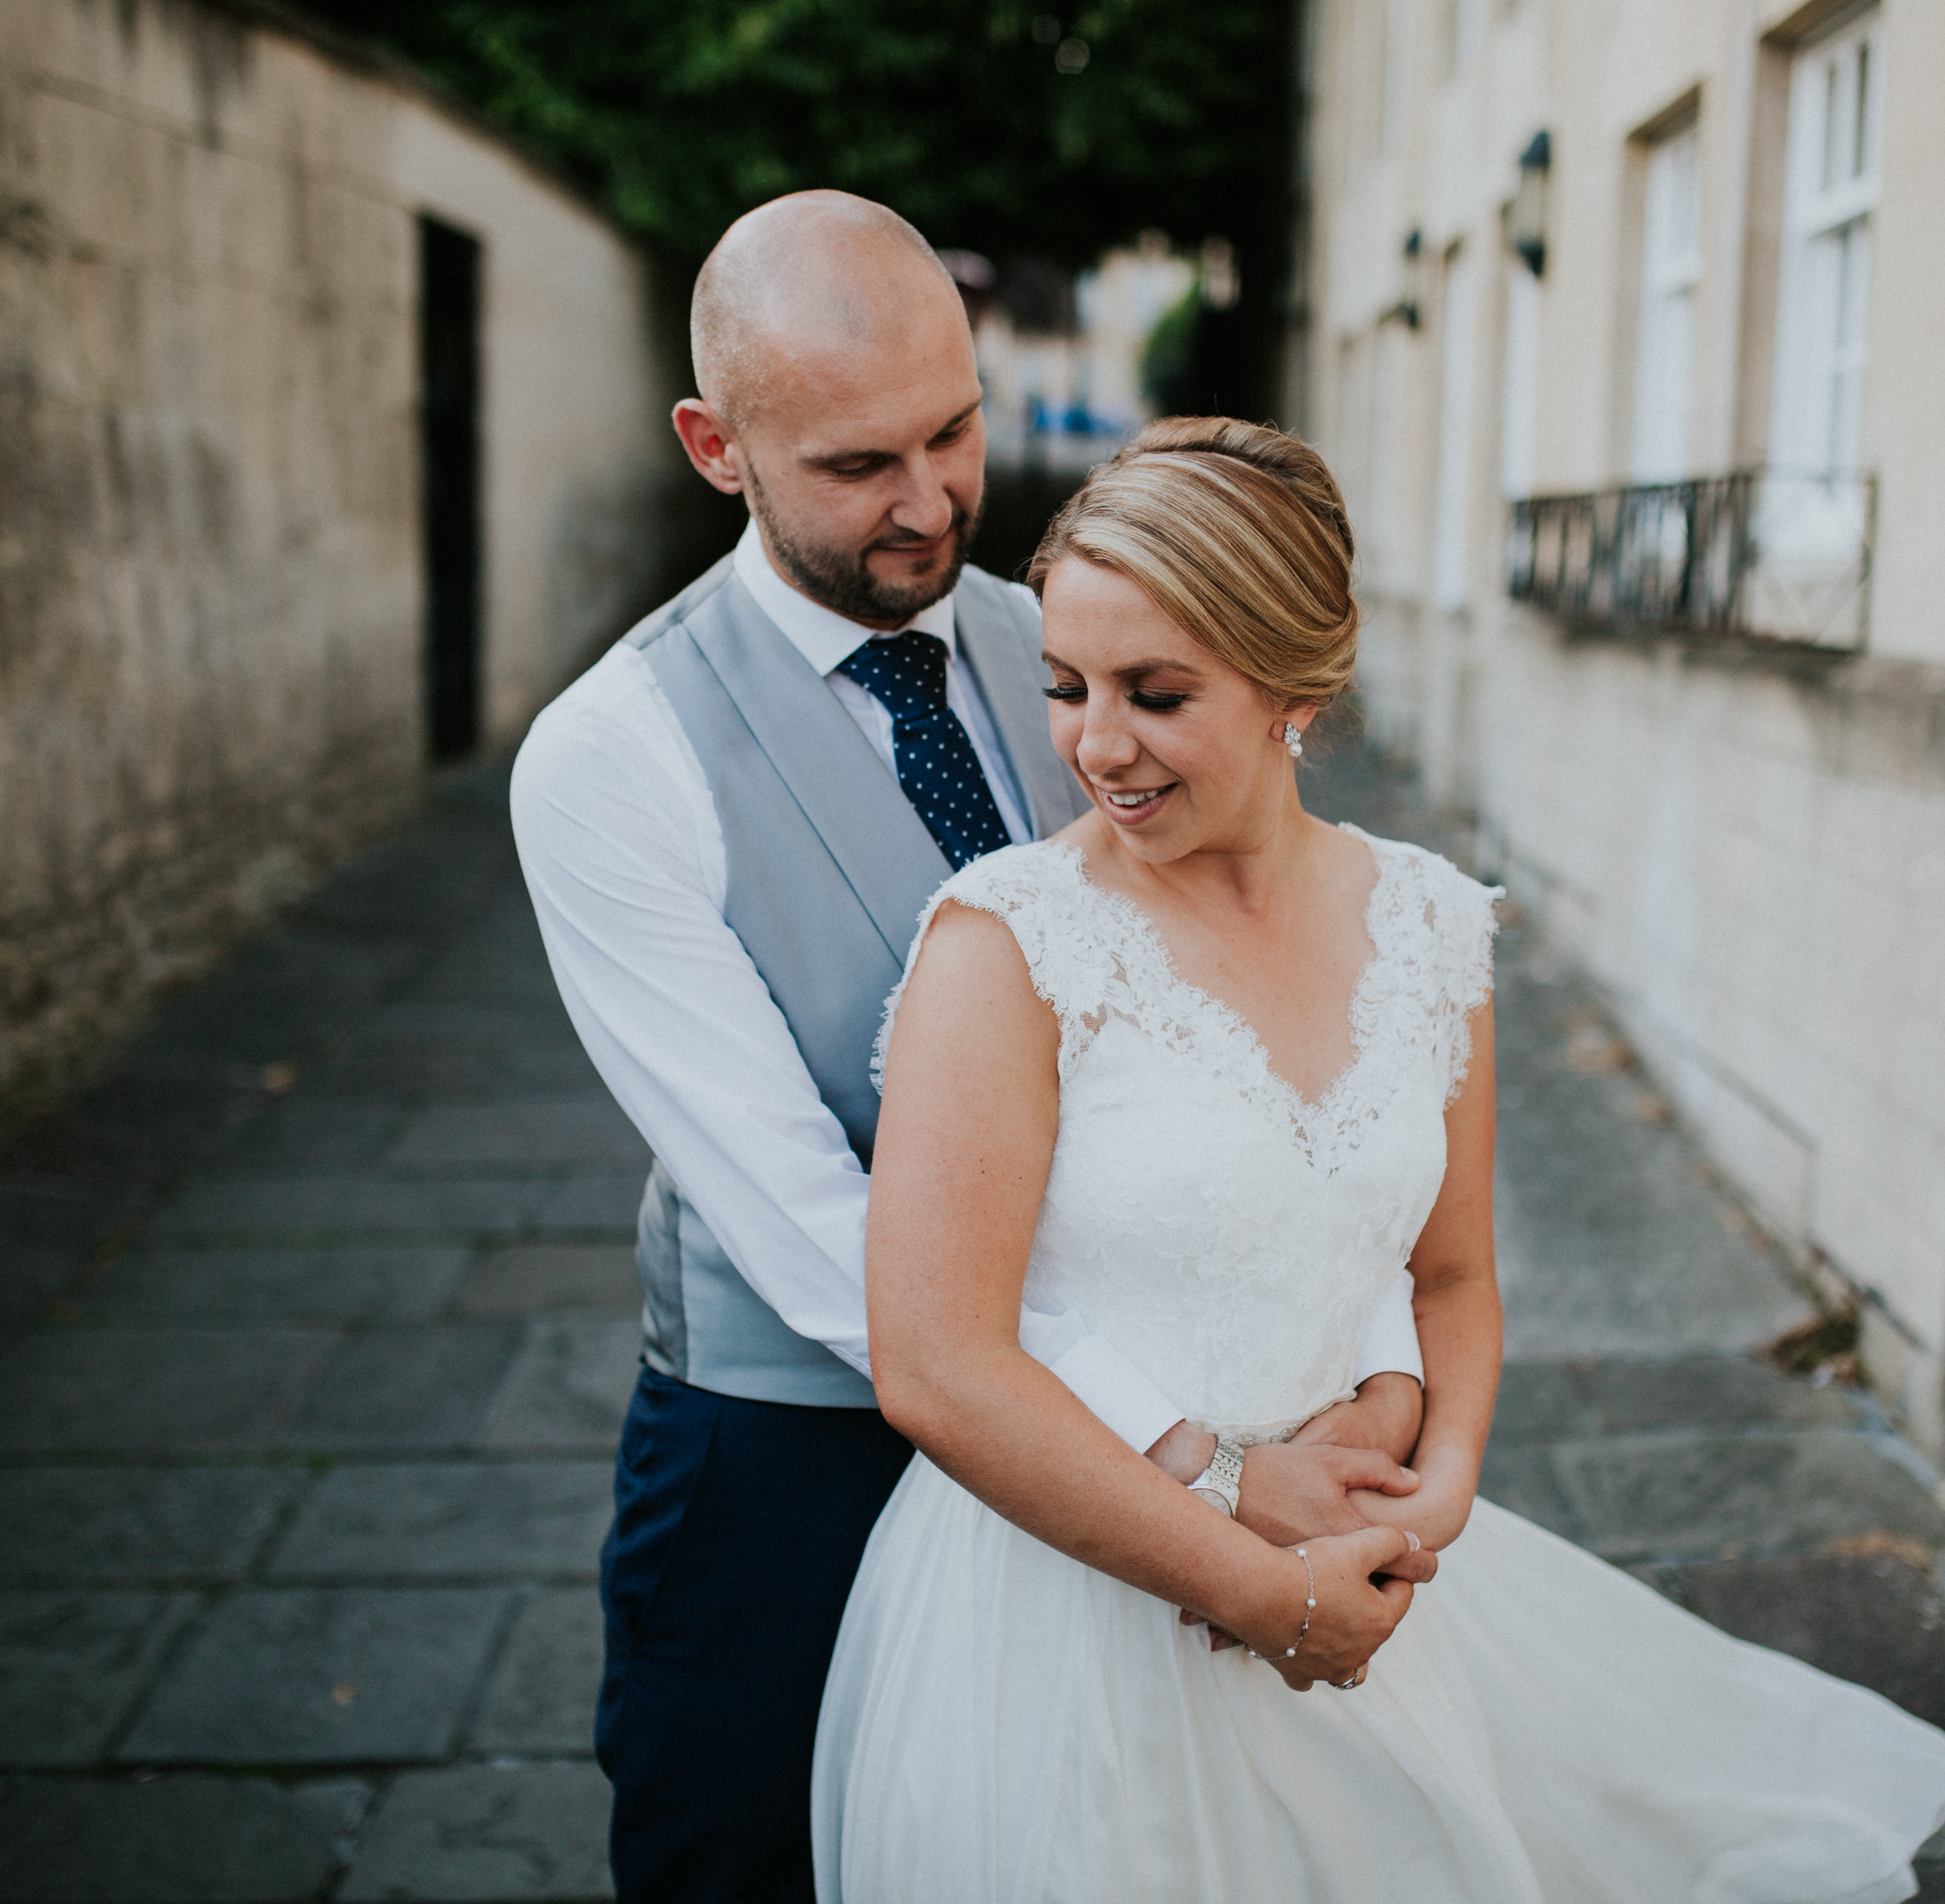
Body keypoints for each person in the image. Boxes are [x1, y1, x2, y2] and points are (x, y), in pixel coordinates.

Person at [813, 417, 1945, 1901]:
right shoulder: (1005, 945)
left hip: (1370, 1575)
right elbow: (936, 1362)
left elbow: (1449, 1275)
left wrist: (1430, 1501)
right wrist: (1255, 1586)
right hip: (1066, 1619)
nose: (1094, 745)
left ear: (1295, 682)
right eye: (1065, 686)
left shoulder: (1432, 925)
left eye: (1156, 693)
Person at [510, 194, 1436, 1904]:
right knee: (749, 1861)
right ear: (717, 447)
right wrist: (1204, 1466)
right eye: (859, 462)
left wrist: (1345, 1371)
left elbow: (1268, 1015)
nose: (930, 501)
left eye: (954, 429)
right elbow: (810, 1234)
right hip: (791, 1456)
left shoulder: (1075, 651)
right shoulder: (608, 762)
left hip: (1165, 1407)